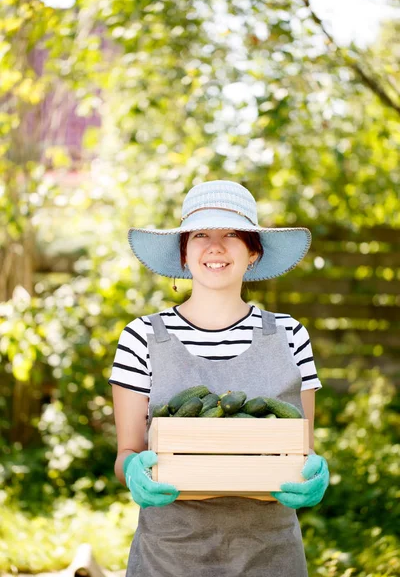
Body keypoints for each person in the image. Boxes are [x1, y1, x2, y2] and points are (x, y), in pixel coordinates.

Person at [109, 180, 330, 577]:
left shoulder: (290, 334)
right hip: (169, 556)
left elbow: (301, 448)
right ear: (183, 254)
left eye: (231, 234)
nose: (215, 246)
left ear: (252, 252)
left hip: (271, 555)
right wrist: (131, 472)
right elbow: (127, 451)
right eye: (200, 235)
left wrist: (315, 472)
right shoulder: (141, 335)